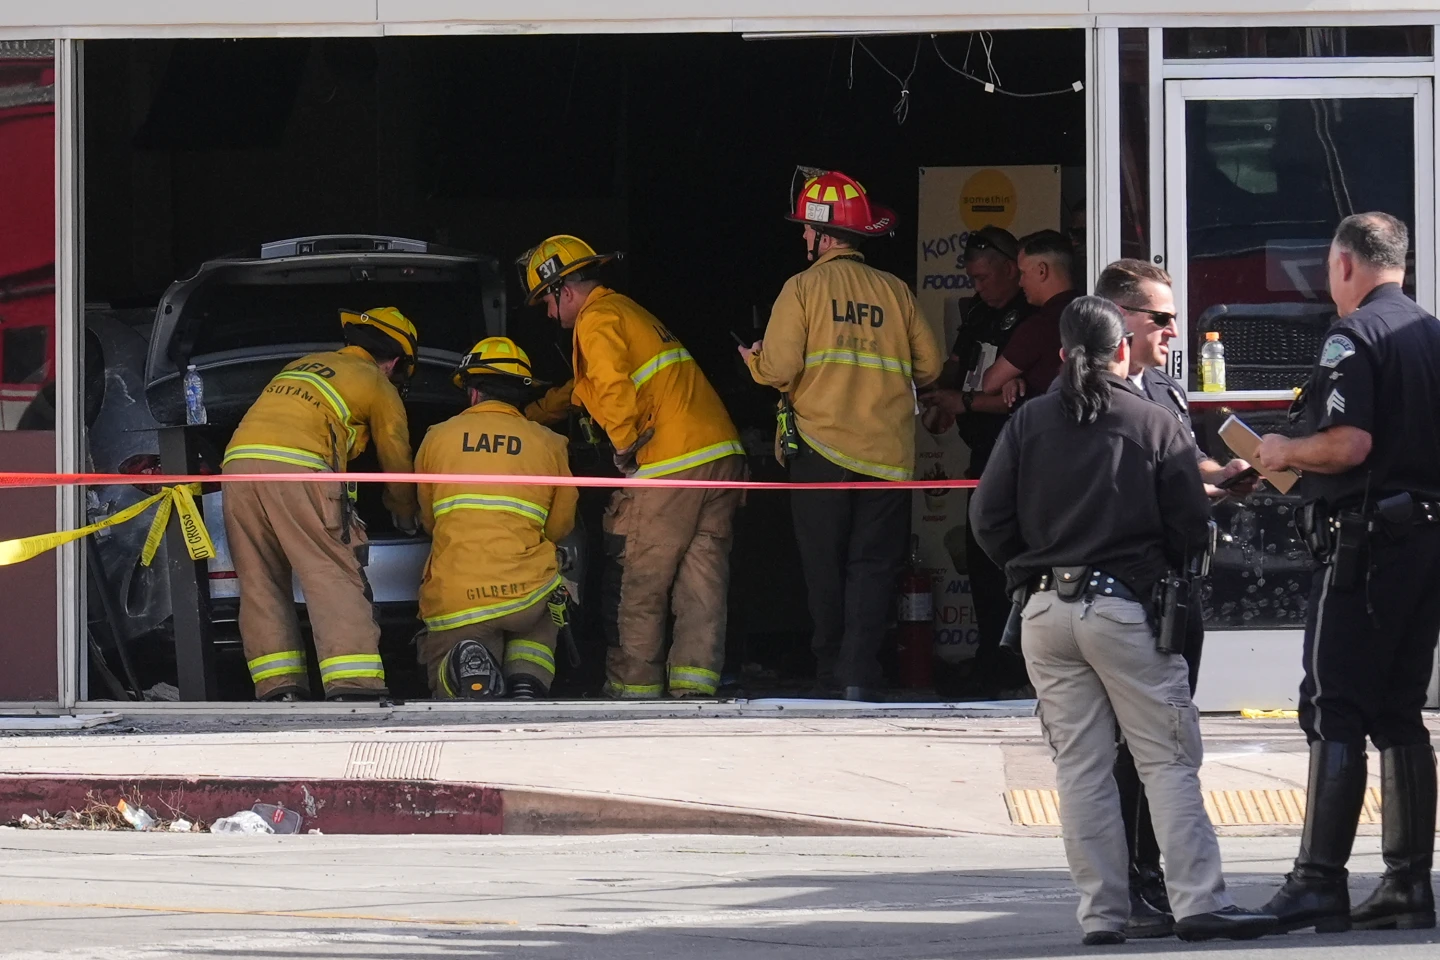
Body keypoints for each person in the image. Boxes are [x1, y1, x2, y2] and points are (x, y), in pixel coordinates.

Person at [970, 295, 1277, 945]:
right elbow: (1189, 526)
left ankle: (1103, 914)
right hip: (1124, 608)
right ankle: (1199, 902)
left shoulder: (1028, 422)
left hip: (1044, 610)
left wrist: (1029, 567)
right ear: (1121, 350)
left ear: (1062, 354)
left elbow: (987, 520)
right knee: (1166, 759)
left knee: (1080, 770)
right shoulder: (1152, 421)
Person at [1255, 212, 1440, 934]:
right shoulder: (1431, 334)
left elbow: (1349, 443)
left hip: (1367, 546)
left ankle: (1318, 881)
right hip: (1425, 543)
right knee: (1399, 710)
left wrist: (1282, 451)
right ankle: (1407, 884)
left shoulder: (1352, 335)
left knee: (1333, 704)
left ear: (1343, 265)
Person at [1094, 258, 1259, 935]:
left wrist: (1226, 473)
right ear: (1119, 320)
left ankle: (1153, 877)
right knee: (1123, 747)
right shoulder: (1082, 398)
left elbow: (1184, 461)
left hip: (1176, 586)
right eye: (1159, 318)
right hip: (1119, 591)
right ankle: (1127, 887)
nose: (1172, 331)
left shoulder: (1162, 388)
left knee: (1165, 737)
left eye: (1173, 318)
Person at [741, 168, 943, 700]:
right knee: (873, 568)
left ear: (824, 235)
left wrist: (754, 360)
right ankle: (859, 674)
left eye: (807, 229)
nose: (803, 238)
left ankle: (831, 669)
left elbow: (780, 369)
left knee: (824, 567)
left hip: (821, 450)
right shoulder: (896, 291)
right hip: (888, 457)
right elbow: (930, 366)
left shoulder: (802, 287)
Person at [519, 235, 745, 700]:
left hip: (670, 464)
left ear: (564, 290)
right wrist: (533, 414)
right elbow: (581, 390)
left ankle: (632, 688)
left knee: (639, 579)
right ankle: (693, 687)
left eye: (547, 302)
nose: (549, 314)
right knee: (702, 581)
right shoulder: (628, 312)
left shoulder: (596, 319)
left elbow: (611, 386)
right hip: (720, 458)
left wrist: (624, 446)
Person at [222, 307, 420, 702]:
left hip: (236, 470)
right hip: (298, 469)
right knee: (330, 572)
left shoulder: (301, 366)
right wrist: (405, 513)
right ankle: (354, 685)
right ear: (395, 362)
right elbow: (396, 457)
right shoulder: (375, 381)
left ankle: (280, 689)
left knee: (260, 580)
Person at [411, 337, 578, 700]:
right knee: (546, 603)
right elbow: (560, 526)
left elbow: (429, 520)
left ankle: (469, 672)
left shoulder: (437, 438)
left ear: (472, 392)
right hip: (526, 590)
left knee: (450, 674)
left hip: (460, 595)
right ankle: (526, 678)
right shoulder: (550, 443)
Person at [920, 226, 1032, 698]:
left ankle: (1020, 668)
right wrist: (939, 399)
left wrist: (962, 401)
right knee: (981, 565)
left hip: (1022, 461)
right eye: (972, 278)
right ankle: (990, 661)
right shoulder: (977, 314)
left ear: (1011, 269)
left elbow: (1020, 395)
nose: (978, 286)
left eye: (984, 278)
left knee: (1016, 568)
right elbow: (956, 366)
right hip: (981, 457)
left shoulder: (1033, 316)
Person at [980, 230, 1079, 408]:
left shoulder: (1041, 326)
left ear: (1042, 271)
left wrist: (1011, 378)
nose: (1020, 282)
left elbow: (990, 383)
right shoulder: (1091, 313)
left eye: (1023, 273)